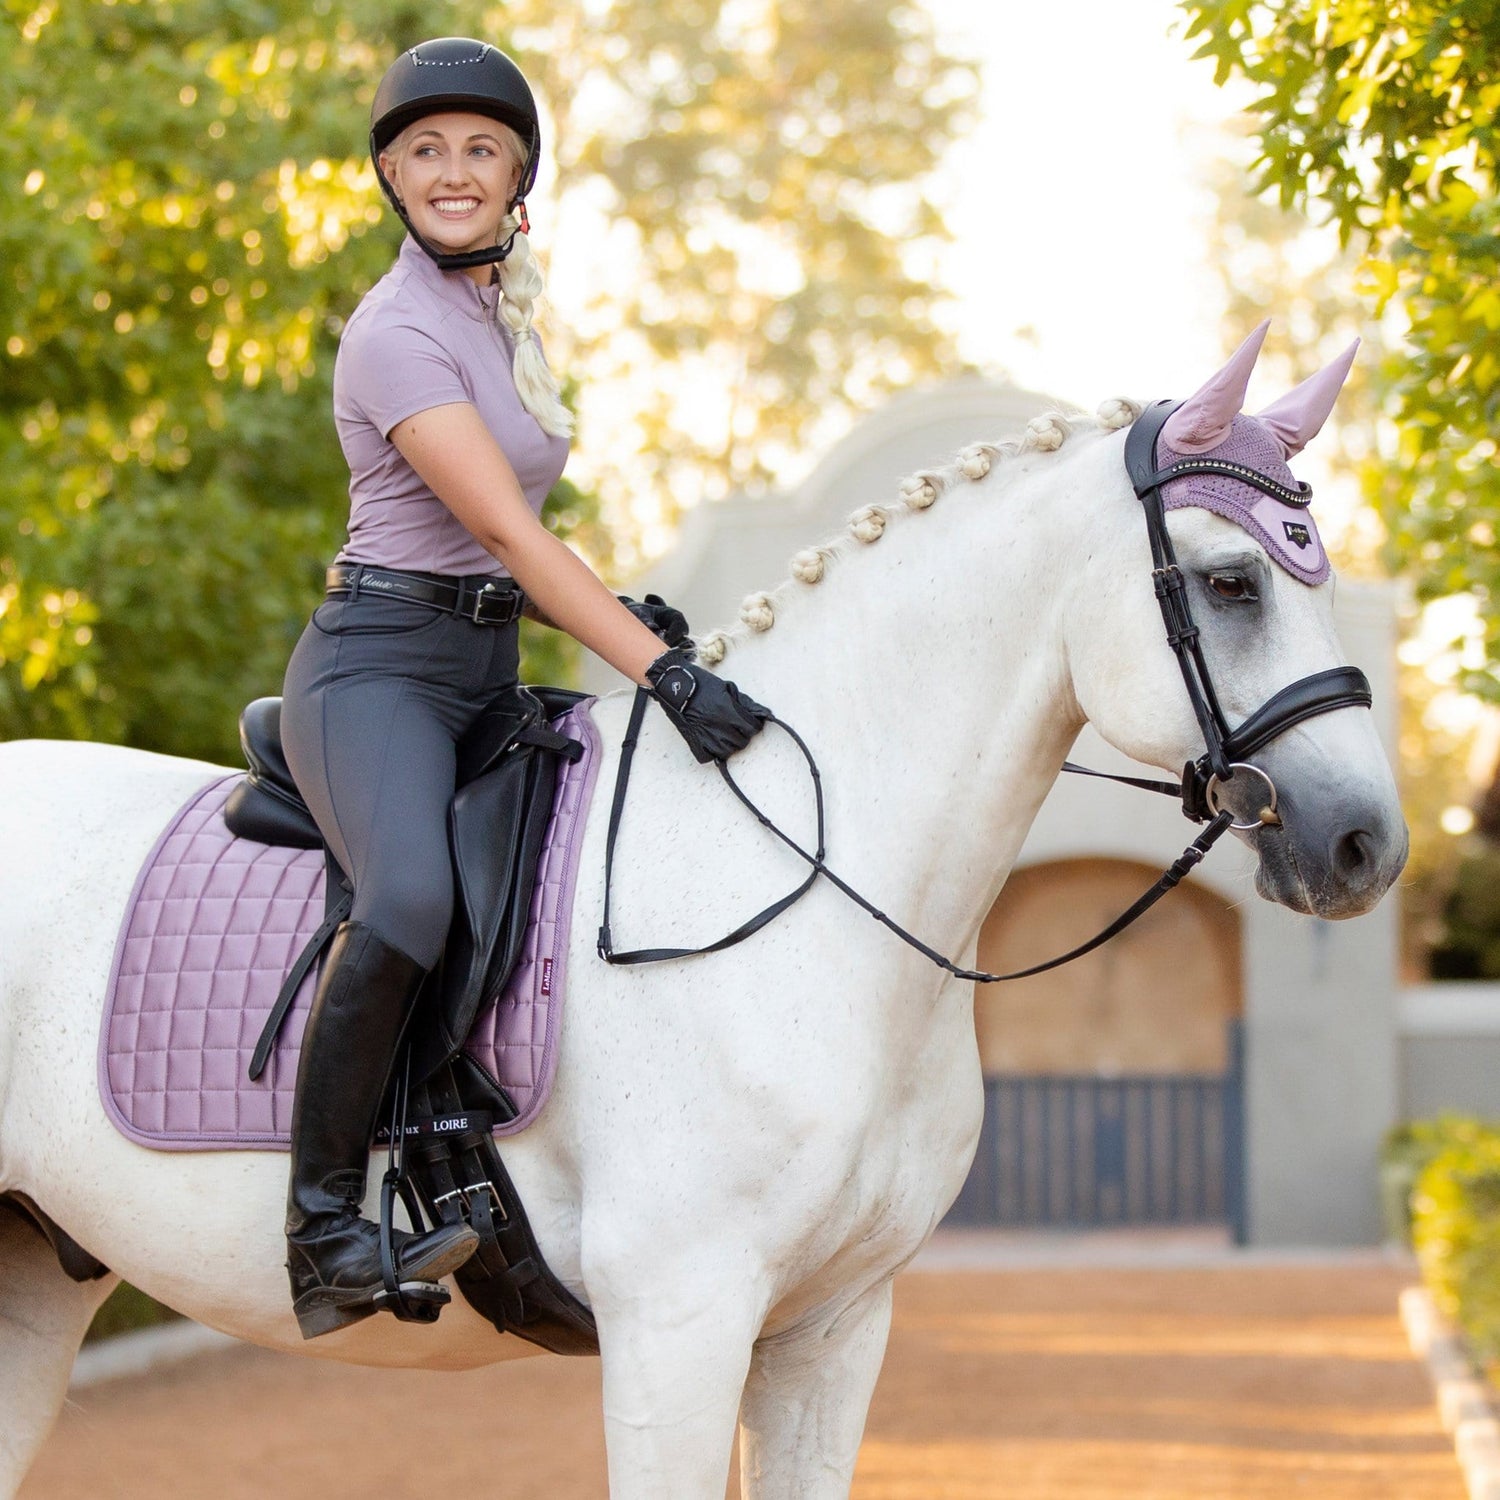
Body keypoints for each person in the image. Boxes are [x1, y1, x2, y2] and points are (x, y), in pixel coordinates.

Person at [277, 35, 769, 1341]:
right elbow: (502, 531)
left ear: (516, 179)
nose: (452, 171)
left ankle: (474, 1139)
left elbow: (524, 550)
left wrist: (630, 620)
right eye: (424, 151)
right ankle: (326, 1222)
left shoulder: (495, 313)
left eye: (478, 150)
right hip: (378, 671)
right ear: (391, 176)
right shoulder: (392, 332)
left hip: (485, 665)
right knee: (411, 898)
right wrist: (657, 666)